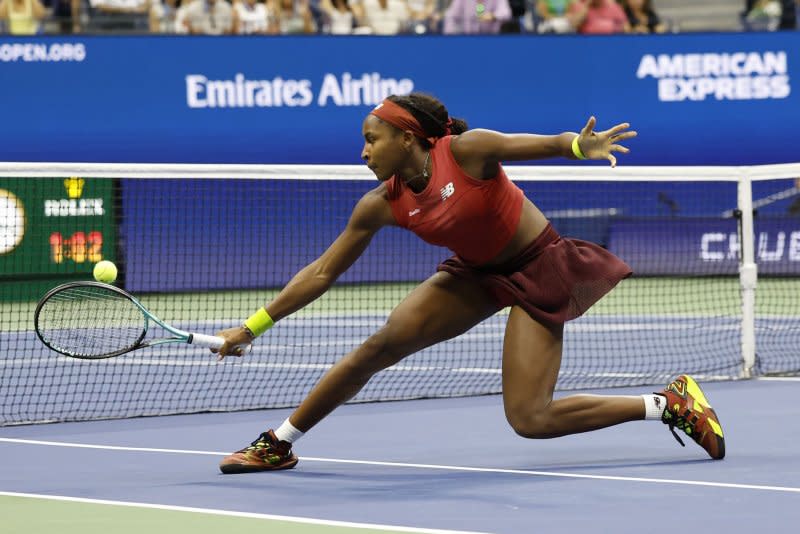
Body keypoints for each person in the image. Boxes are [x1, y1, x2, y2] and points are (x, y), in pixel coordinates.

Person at [214, 92, 725, 474]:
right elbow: (322, 272)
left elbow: (539, 143)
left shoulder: (465, 151)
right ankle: (277, 444)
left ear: (406, 138)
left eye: (371, 140)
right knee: (378, 347)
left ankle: (669, 404)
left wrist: (576, 145)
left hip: (537, 265)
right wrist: (251, 327)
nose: (363, 152)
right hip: (474, 275)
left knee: (531, 419)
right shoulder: (381, 204)